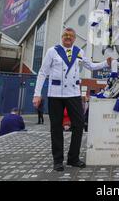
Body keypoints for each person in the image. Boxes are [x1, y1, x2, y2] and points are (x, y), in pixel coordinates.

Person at [32, 27, 112, 171]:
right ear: (62, 37)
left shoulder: (79, 52)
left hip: (73, 93)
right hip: (55, 94)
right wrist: (37, 94)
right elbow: (43, 72)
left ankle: (73, 158)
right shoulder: (53, 51)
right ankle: (58, 160)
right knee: (56, 127)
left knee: (79, 124)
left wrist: (106, 63)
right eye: (65, 35)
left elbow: (92, 66)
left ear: (75, 38)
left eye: (71, 36)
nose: (68, 38)